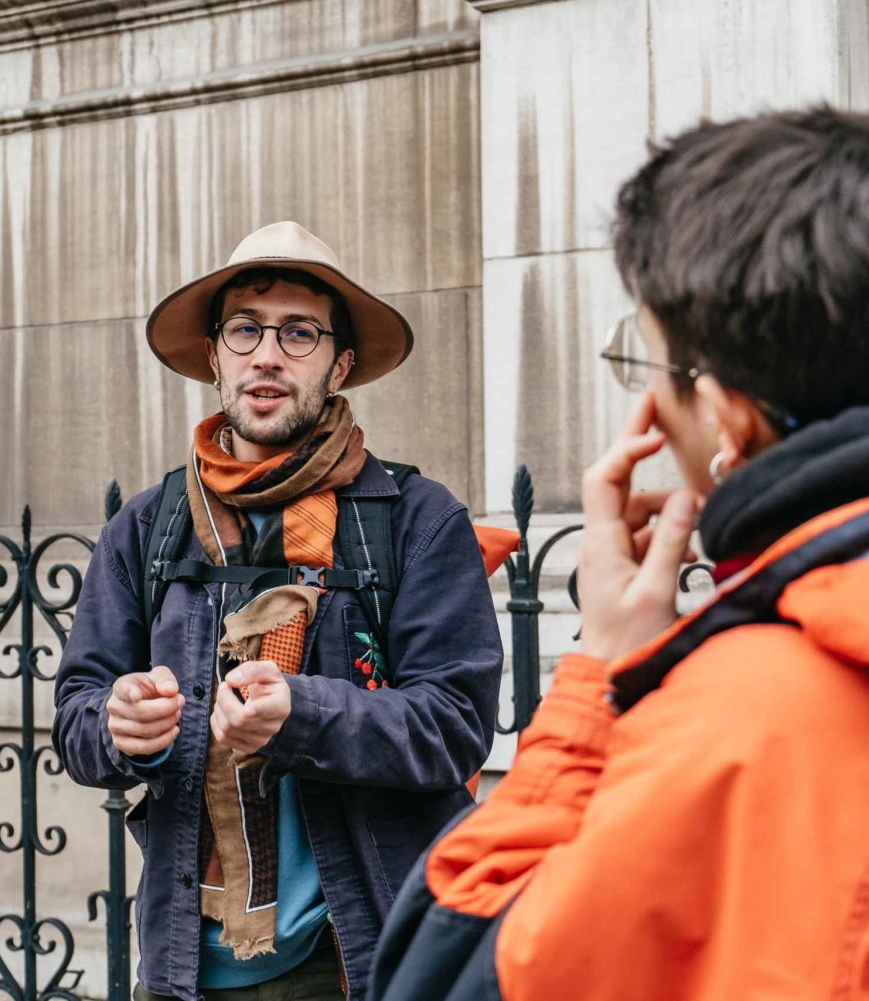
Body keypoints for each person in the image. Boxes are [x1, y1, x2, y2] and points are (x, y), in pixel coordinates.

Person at [371, 107, 869, 1001]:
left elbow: (438, 976)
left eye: (649, 358)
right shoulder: (158, 521)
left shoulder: (740, 717)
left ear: (725, 413)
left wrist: (601, 667)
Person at [54, 221, 506, 1001]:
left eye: (300, 332)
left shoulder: (416, 518)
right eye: (245, 330)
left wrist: (302, 713)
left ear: (341, 366)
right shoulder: (146, 526)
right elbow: (77, 718)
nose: (268, 353)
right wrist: (118, 725)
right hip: (183, 965)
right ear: (215, 356)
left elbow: (456, 722)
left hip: (357, 961)